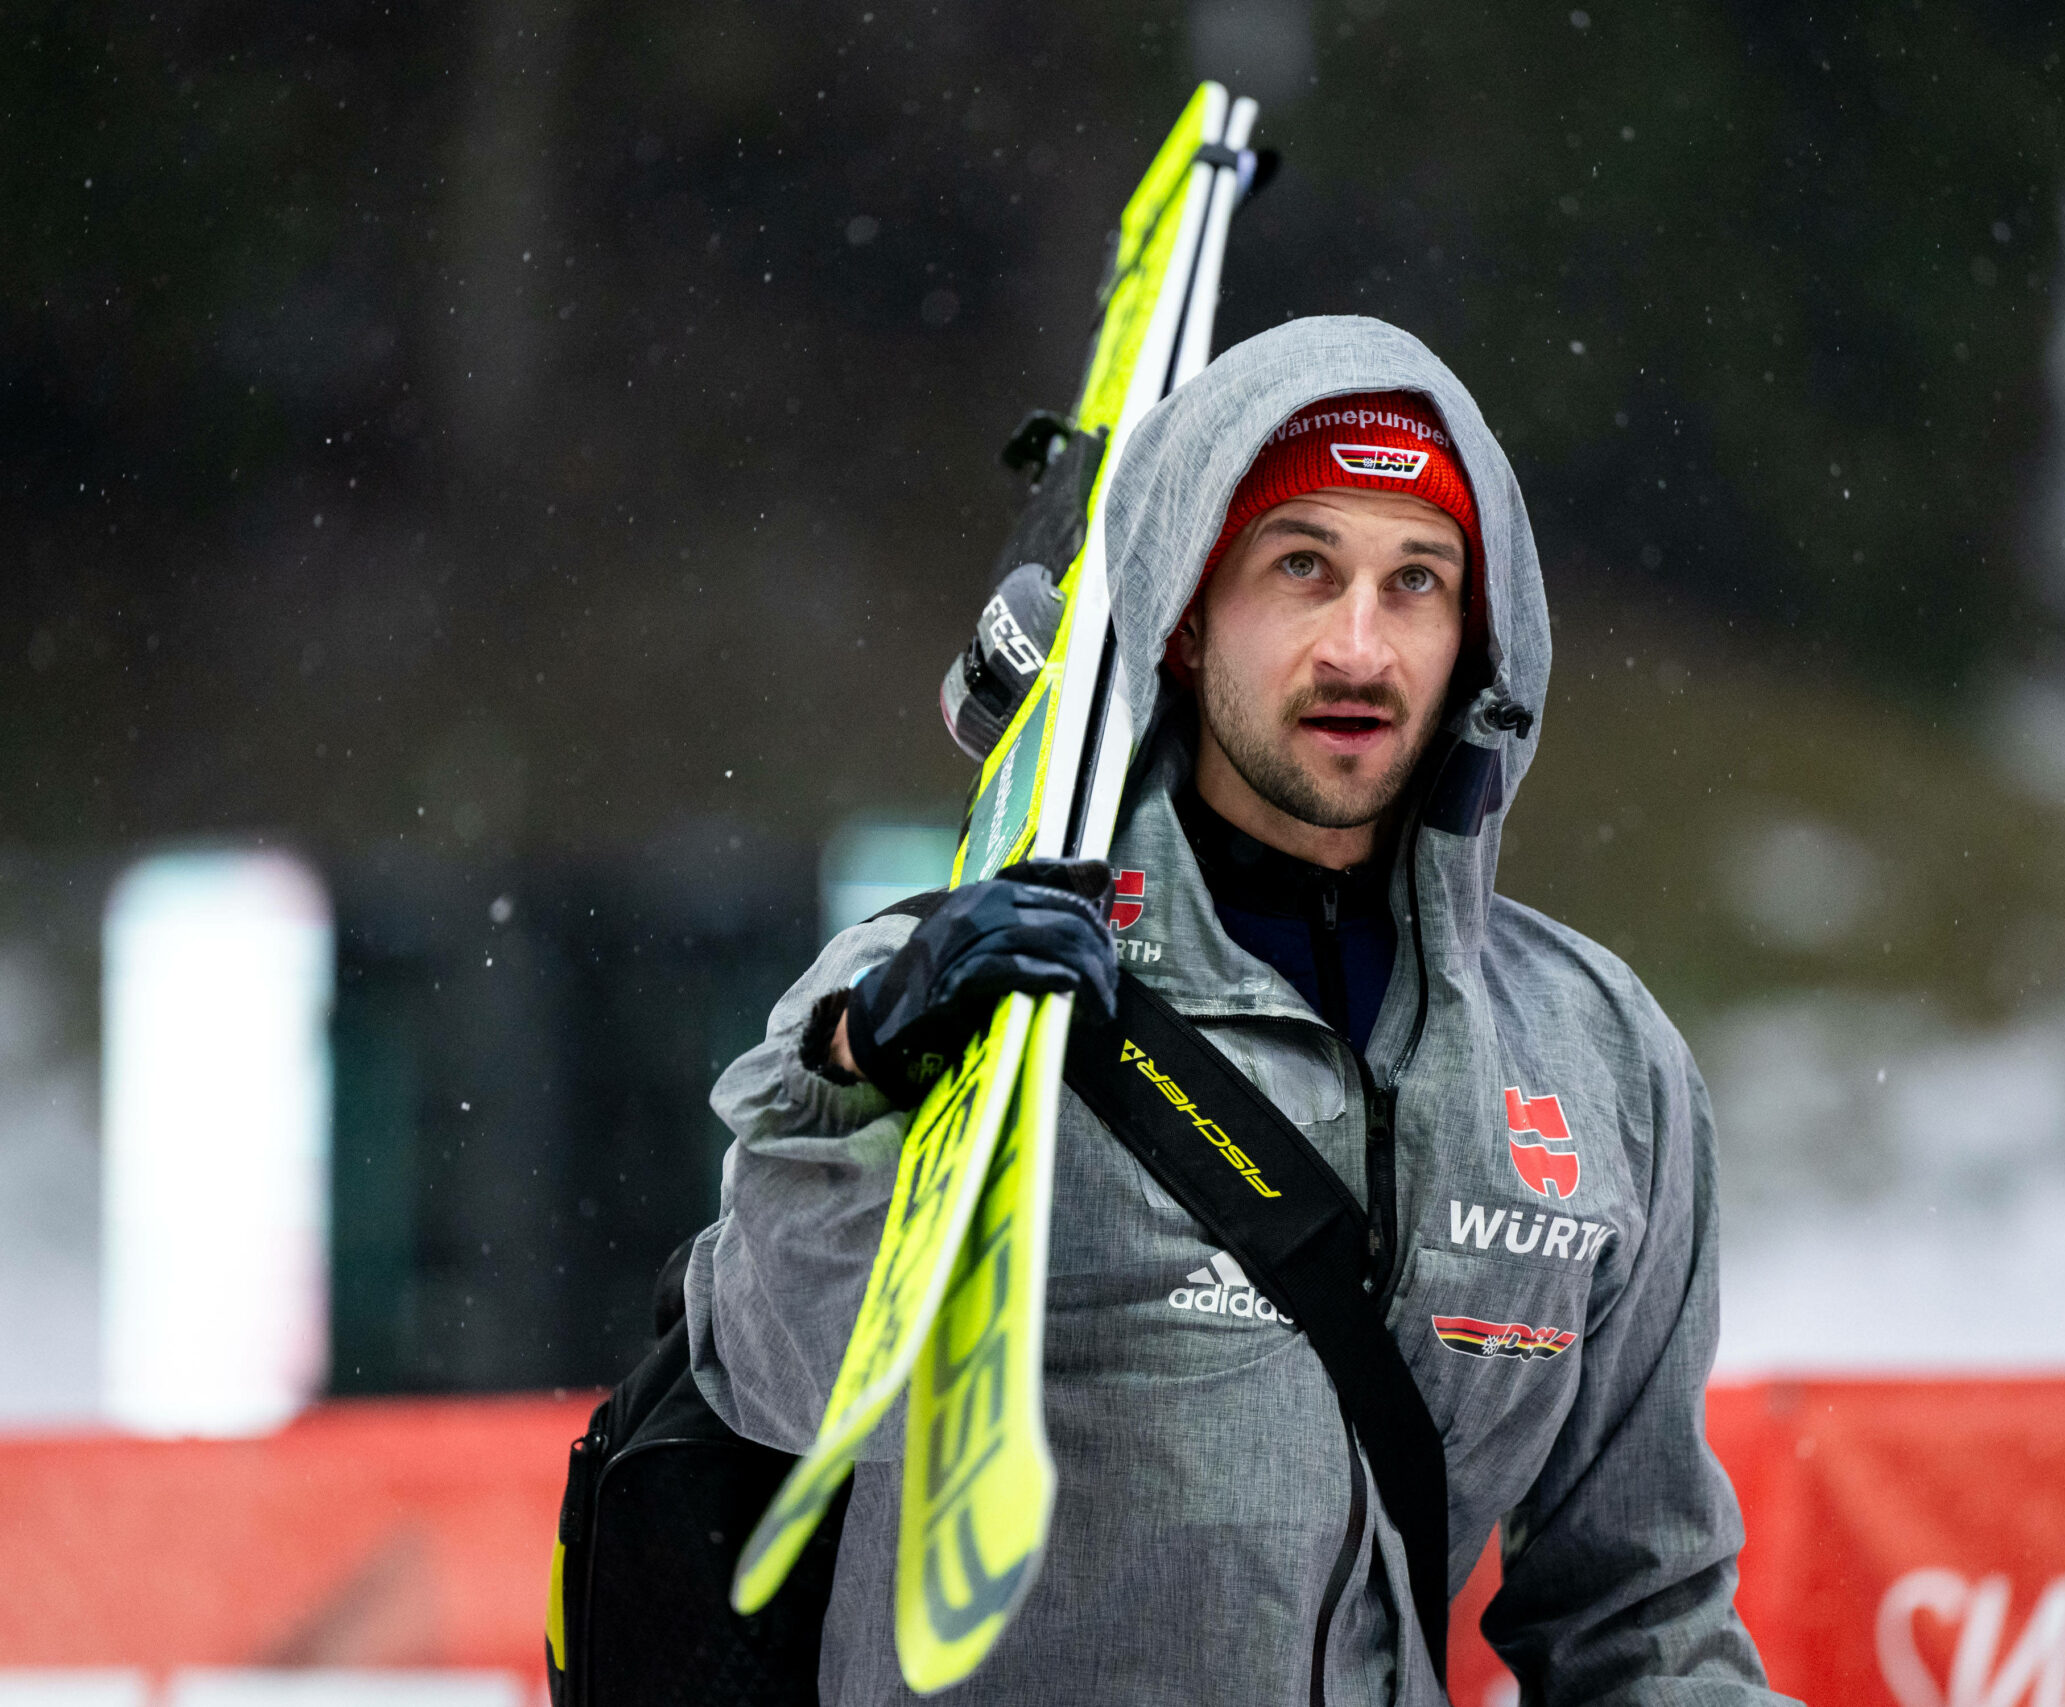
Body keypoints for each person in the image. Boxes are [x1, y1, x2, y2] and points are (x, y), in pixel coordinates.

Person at [688, 316, 1786, 1706]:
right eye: (1302, 568)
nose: (1359, 645)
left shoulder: (1597, 1057)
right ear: (1189, 617)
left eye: (1418, 583)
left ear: (1479, 644)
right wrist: (869, 1065)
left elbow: (1640, 1619)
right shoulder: (968, 988)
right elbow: (778, 1384)